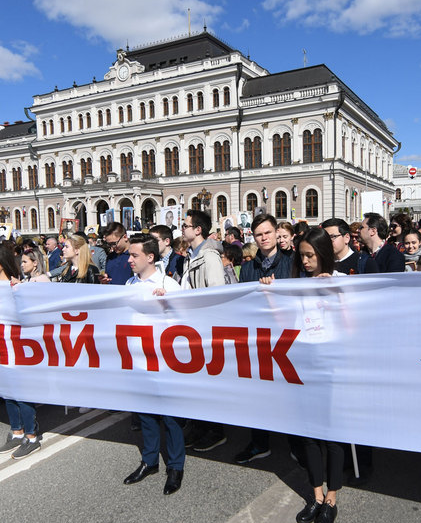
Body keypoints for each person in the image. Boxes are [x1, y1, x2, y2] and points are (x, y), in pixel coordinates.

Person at [292, 227, 347, 523]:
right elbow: (283, 322)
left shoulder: (342, 283)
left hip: (333, 368)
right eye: (302, 256)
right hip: (305, 366)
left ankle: (332, 499)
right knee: (309, 434)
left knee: (333, 436)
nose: (306, 261)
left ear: (324, 254)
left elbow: (352, 324)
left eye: (310, 255)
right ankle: (315, 494)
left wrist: (334, 296)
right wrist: (270, 291)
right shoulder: (297, 286)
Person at [122, 234, 185, 495]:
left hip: (165, 363)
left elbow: (187, 320)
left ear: (150, 257)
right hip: (138, 360)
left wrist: (168, 304)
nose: (129, 260)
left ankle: (175, 466)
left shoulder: (169, 284)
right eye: (129, 255)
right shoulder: (129, 283)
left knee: (171, 418)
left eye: (134, 255)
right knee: (146, 414)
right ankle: (149, 461)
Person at [233, 213, 293, 464]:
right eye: (259, 234)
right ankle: (259, 443)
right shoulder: (248, 267)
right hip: (258, 338)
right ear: (253, 238)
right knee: (257, 394)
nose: (264, 238)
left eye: (268, 232)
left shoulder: (292, 261)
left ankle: (297, 446)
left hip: (287, 338)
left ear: (276, 233)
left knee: (291, 394)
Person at [0, 244, 43, 459]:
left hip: (16, 347)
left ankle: (31, 436)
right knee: (7, 392)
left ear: (2, 263)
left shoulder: (17, 287)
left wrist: (21, 292)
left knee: (22, 393)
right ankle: (16, 431)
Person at [179, 210, 228, 452]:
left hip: (204, 329)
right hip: (191, 328)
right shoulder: (191, 256)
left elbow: (216, 294)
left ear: (198, 229)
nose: (182, 228)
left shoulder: (209, 256)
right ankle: (199, 426)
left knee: (208, 383)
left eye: (186, 225)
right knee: (196, 383)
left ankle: (215, 430)